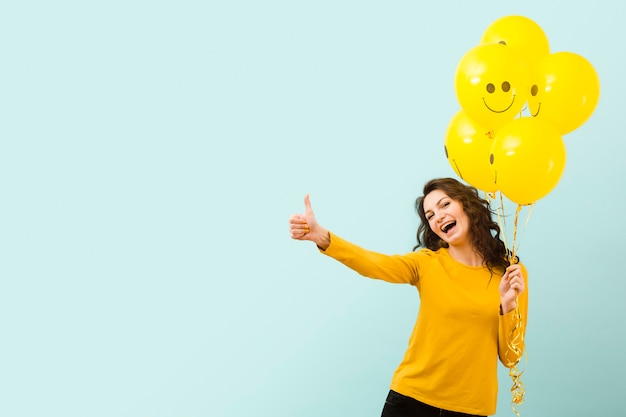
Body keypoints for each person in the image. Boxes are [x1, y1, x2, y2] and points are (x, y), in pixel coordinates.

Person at [288, 177, 528, 417]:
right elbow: (374, 264)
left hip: (471, 408)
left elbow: (511, 357)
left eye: (445, 205)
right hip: (412, 400)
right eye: (430, 215)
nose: (439, 217)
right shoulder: (427, 264)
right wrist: (321, 236)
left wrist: (507, 306)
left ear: (467, 205)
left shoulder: (510, 274)